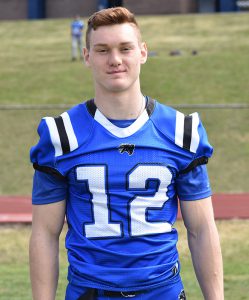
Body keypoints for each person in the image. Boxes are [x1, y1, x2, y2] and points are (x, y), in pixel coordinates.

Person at [29, 7, 224, 300]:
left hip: (163, 292)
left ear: (142, 52)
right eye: (103, 50)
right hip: (91, 293)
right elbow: (44, 233)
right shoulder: (62, 135)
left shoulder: (181, 132)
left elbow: (202, 229)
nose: (115, 60)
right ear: (87, 56)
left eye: (125, 48)